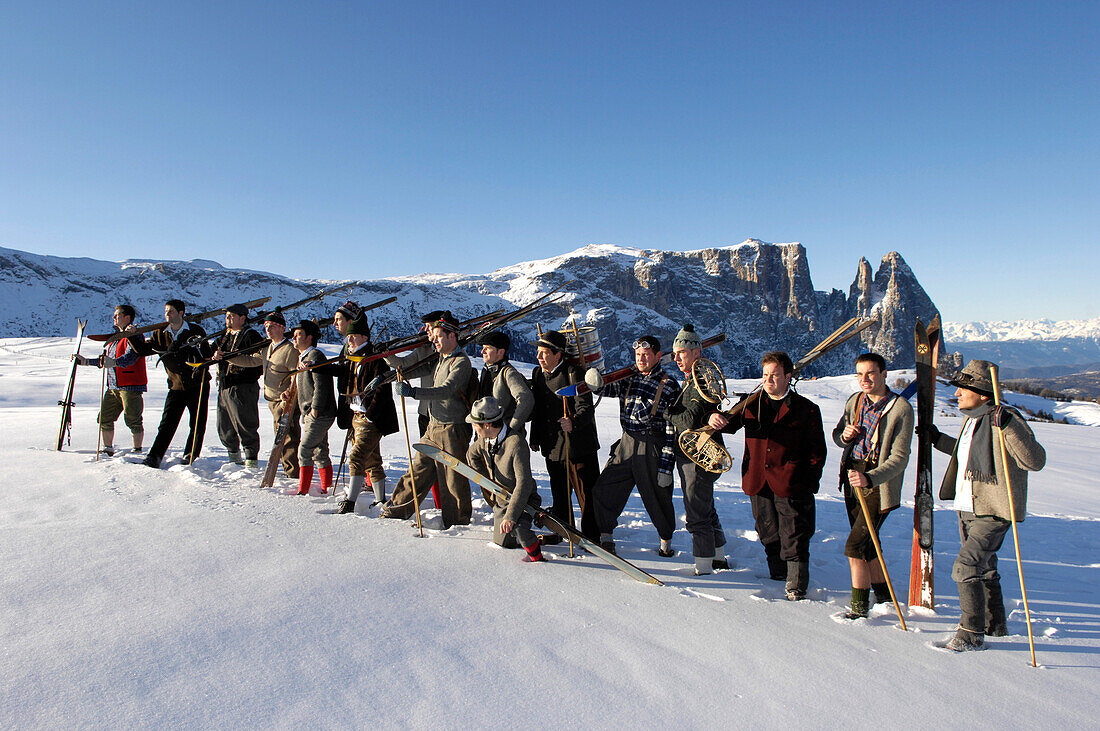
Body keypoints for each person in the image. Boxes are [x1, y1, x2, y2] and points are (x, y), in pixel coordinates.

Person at [925, 359, 1046, 651]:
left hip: (994, 509)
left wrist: (1007, 426)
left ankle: (971, 634)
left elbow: (1035, 460)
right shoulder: (973, 420)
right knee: (985, 568)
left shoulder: (1006, 418)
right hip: (968, 507)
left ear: (981, 393)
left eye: (962, 389)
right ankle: (996, 624)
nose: (956, 395)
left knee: (965, 566)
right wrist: (937, 439)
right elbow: (966, 453)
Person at [711, 351, 826, 600]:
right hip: (757, 480)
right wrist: (714, 416)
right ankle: (778, 573)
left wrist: (807, 482)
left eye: (774, 375)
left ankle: (796, 584)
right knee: (767, 530)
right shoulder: (750, 404)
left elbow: (817, 451)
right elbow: (726, 424)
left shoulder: (807, 410)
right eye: (765, 375)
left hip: (791, 482)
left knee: (794, 534)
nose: (769, 380)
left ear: (788, 376)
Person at [831, 352, 914, 618]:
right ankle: (883, 596)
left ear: (884, 374)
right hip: (852, 476)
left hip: (878, 482)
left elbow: (900, 458)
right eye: (859, 374)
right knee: (869, 543)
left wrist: (870, 478)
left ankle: (858, 608)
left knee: (855, 547)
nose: (864, 379)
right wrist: (844, 437)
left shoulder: (900, 408)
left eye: (870, 373)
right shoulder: (855, 401)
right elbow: (838, 435)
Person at [381, 311, 475, 527]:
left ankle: (457, 521)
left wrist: (414, 393)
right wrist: (387, 356)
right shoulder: (440, 360)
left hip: (453, 428)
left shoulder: (461, 362)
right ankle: (396, 509)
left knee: (453, 478)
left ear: (452, 336)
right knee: (418, 469)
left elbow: (446, 390)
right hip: (433, 427)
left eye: (439, 336)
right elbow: (409, 368)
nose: (433, 340)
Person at [591, 334, 681, 557]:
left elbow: (672, 428)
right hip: (626, 442)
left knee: (657, 495)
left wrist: (666, 466)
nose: (641, 358)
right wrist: (595, 382)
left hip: (653, 445)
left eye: (646, 354)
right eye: (638, 354)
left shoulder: (669, 385)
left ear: (658, 356)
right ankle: (606, 537)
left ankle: (665, 543)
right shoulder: (629, 378)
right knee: (606, 487)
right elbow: (607, 390)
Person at [666, 324, 728, 575]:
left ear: (696, 354)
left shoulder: (699, 382)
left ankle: (703, 566)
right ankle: (719, 557)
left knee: (696, 511)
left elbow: (689, 420)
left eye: (681, 352)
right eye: (675, 353)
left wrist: (666, 411)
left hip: (697, 456)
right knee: (706, 507)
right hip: (699, 455)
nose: (676, 358)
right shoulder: (694, 380)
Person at [528, 330, 600, 540]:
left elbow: (586, 408)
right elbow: (539, 409)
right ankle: (563, 532)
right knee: (560, 493)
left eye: (543, 353)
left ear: (557, 355)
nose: (539, 357)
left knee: (586, 494)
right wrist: (535, 437)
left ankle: (591, 537)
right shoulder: (538, 374)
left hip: (578, 446)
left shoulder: (573, 373)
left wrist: (573, 422)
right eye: (538, 353)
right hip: (552, 446)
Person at [465, 397, 545, 563]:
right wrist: (487, 480)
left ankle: (537, 557)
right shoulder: (485, 440)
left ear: (487, 425)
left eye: (475, 425)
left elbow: (524, 484)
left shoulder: (516, 444)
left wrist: (511, 516)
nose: (474, 428)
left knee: (519, 529)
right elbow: (471, 455)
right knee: (503, 542)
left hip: (523, 500)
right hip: (502, 499)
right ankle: (539, 538)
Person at [335, 317, 398, 513]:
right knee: (372, 460)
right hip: (356, 416)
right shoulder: (352, 359)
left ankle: (350, 502)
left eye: (353, 336)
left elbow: (382, 391)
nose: (349, 340)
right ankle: (380, 500)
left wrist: (370, 416)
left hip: (370, 419)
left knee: (356, 457)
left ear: (364, 336)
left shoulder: (375, 359)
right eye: (348, 337)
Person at [140, 300, 212, 468]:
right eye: (166, 311)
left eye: (171, 311)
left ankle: (191, 454)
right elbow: (144, 350)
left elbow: (206, 354)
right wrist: (132, 335)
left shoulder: (195, 330)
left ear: (181, 313)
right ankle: (154, 456)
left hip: (198, 383)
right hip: (175, 385)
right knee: (167, 423)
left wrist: (188, 350)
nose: (167, 314)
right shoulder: (160, 333)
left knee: (197, 422)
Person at [75, 304, 148, 456]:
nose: (114, 318)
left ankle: (137, 450)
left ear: (127, 317)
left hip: (131, 385)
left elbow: (131, 357)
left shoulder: (135, 335)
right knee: (104, 417)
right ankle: (107, 448)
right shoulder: (115, 339)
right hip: (113, 385)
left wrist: (114, 363)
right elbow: (108, 360)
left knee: (133, 419)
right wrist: (87, 362)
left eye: (117, 315)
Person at [211, 303, 264, 467]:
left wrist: (231, 358)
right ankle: (233, 458)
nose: (227, 319)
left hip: (243, 386)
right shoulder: (224, 336)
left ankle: (251, 460)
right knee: (224, 425)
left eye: (231, 316)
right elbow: (209, 352)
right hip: (225, 385)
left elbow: (258, 361)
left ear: (242, 318)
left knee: (246, 423)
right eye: (227, 315)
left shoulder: (251, 336)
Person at [289, 320, 336, 496]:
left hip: (318, 413)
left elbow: (321, 384)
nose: (294, 337)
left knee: (304, 449)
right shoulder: (304, 358)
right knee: (320, 450)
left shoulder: (315, 356)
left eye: (298, 334)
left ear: (309, 338)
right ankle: (326, 488)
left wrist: (315, 408)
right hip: (311, 412)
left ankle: (303, 490)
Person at [261, 311, 300, 478]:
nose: (268, 330)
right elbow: (251, 361)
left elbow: (296, 375)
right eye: (266, 326)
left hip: (285, 401)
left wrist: (289, 395)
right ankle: (287, 468)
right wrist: (227, 358)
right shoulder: (267, 348)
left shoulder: (289, 350)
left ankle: (292, 472)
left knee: (288, 436)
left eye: (272, 327)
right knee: (280, 435)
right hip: (271, 400)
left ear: (282, 328)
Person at [477, 331, 534, 435]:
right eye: (483, 348)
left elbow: (526, 399)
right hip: (489, 434)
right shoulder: (487, 371)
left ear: (500, 352)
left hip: (506, 438)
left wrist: (511, 428)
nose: (482, 351)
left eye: (488, 348)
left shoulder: (509, 373)